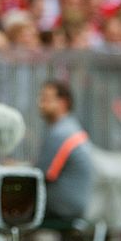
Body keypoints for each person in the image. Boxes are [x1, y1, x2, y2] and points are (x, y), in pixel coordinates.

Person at [36, 80, 94, 220]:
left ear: (63, 103)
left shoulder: (61, 133)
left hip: (64, 206)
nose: (40, 104)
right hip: (77, 202)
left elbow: (43, 174)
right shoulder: (71, 127)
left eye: (46, 99)